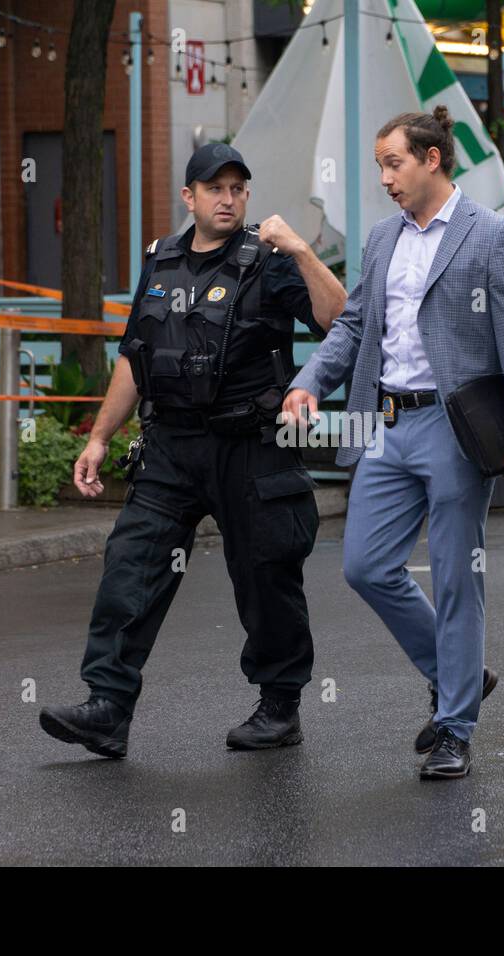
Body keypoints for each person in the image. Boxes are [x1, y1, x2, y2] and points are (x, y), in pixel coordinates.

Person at [40, 143, 346, 759]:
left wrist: (305, 251)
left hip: (251, 446)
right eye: (215, 188)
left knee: (265, 575)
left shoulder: (269, 259)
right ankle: (108, 708)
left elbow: (340, 319)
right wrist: (100, 437)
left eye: (238, 188)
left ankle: (279, 705)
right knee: (132, 567)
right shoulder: (163, 260)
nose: (227, 198)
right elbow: (136, 356)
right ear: (190, 197)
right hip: (173, 446)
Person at [282, 107, 504, 780]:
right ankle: (458, 672)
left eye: (393, 163)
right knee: (365, 566)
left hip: (454, 427)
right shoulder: (381, 239)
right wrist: (310, 380)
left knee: (458, 577)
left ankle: (455, 727)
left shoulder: (492, 237)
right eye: (379, 165)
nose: (384, 178)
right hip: (383, 423)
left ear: (432, 160)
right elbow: (351, 326)